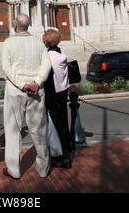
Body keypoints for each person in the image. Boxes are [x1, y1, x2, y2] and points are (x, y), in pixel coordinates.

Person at [1, 14, 52, 179]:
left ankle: (14, 170)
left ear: (15, 25)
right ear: (28, 26)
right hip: (36, 92)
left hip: (16, 91)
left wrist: (22, 84)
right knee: (39, 129)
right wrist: (36, 82)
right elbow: (47, 64)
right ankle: (43, 168)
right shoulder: (38, 42)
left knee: (13, 129)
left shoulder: (9, 42)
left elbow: (6, 67)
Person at [43, 28, 72, 168]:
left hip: (53, 95)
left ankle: (61, 155)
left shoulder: (49, 56)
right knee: (63, 123)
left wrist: (46, 103)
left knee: (56, 125)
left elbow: (47, 80)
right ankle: (67, 150)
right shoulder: (62, 53)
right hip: (63, 92)